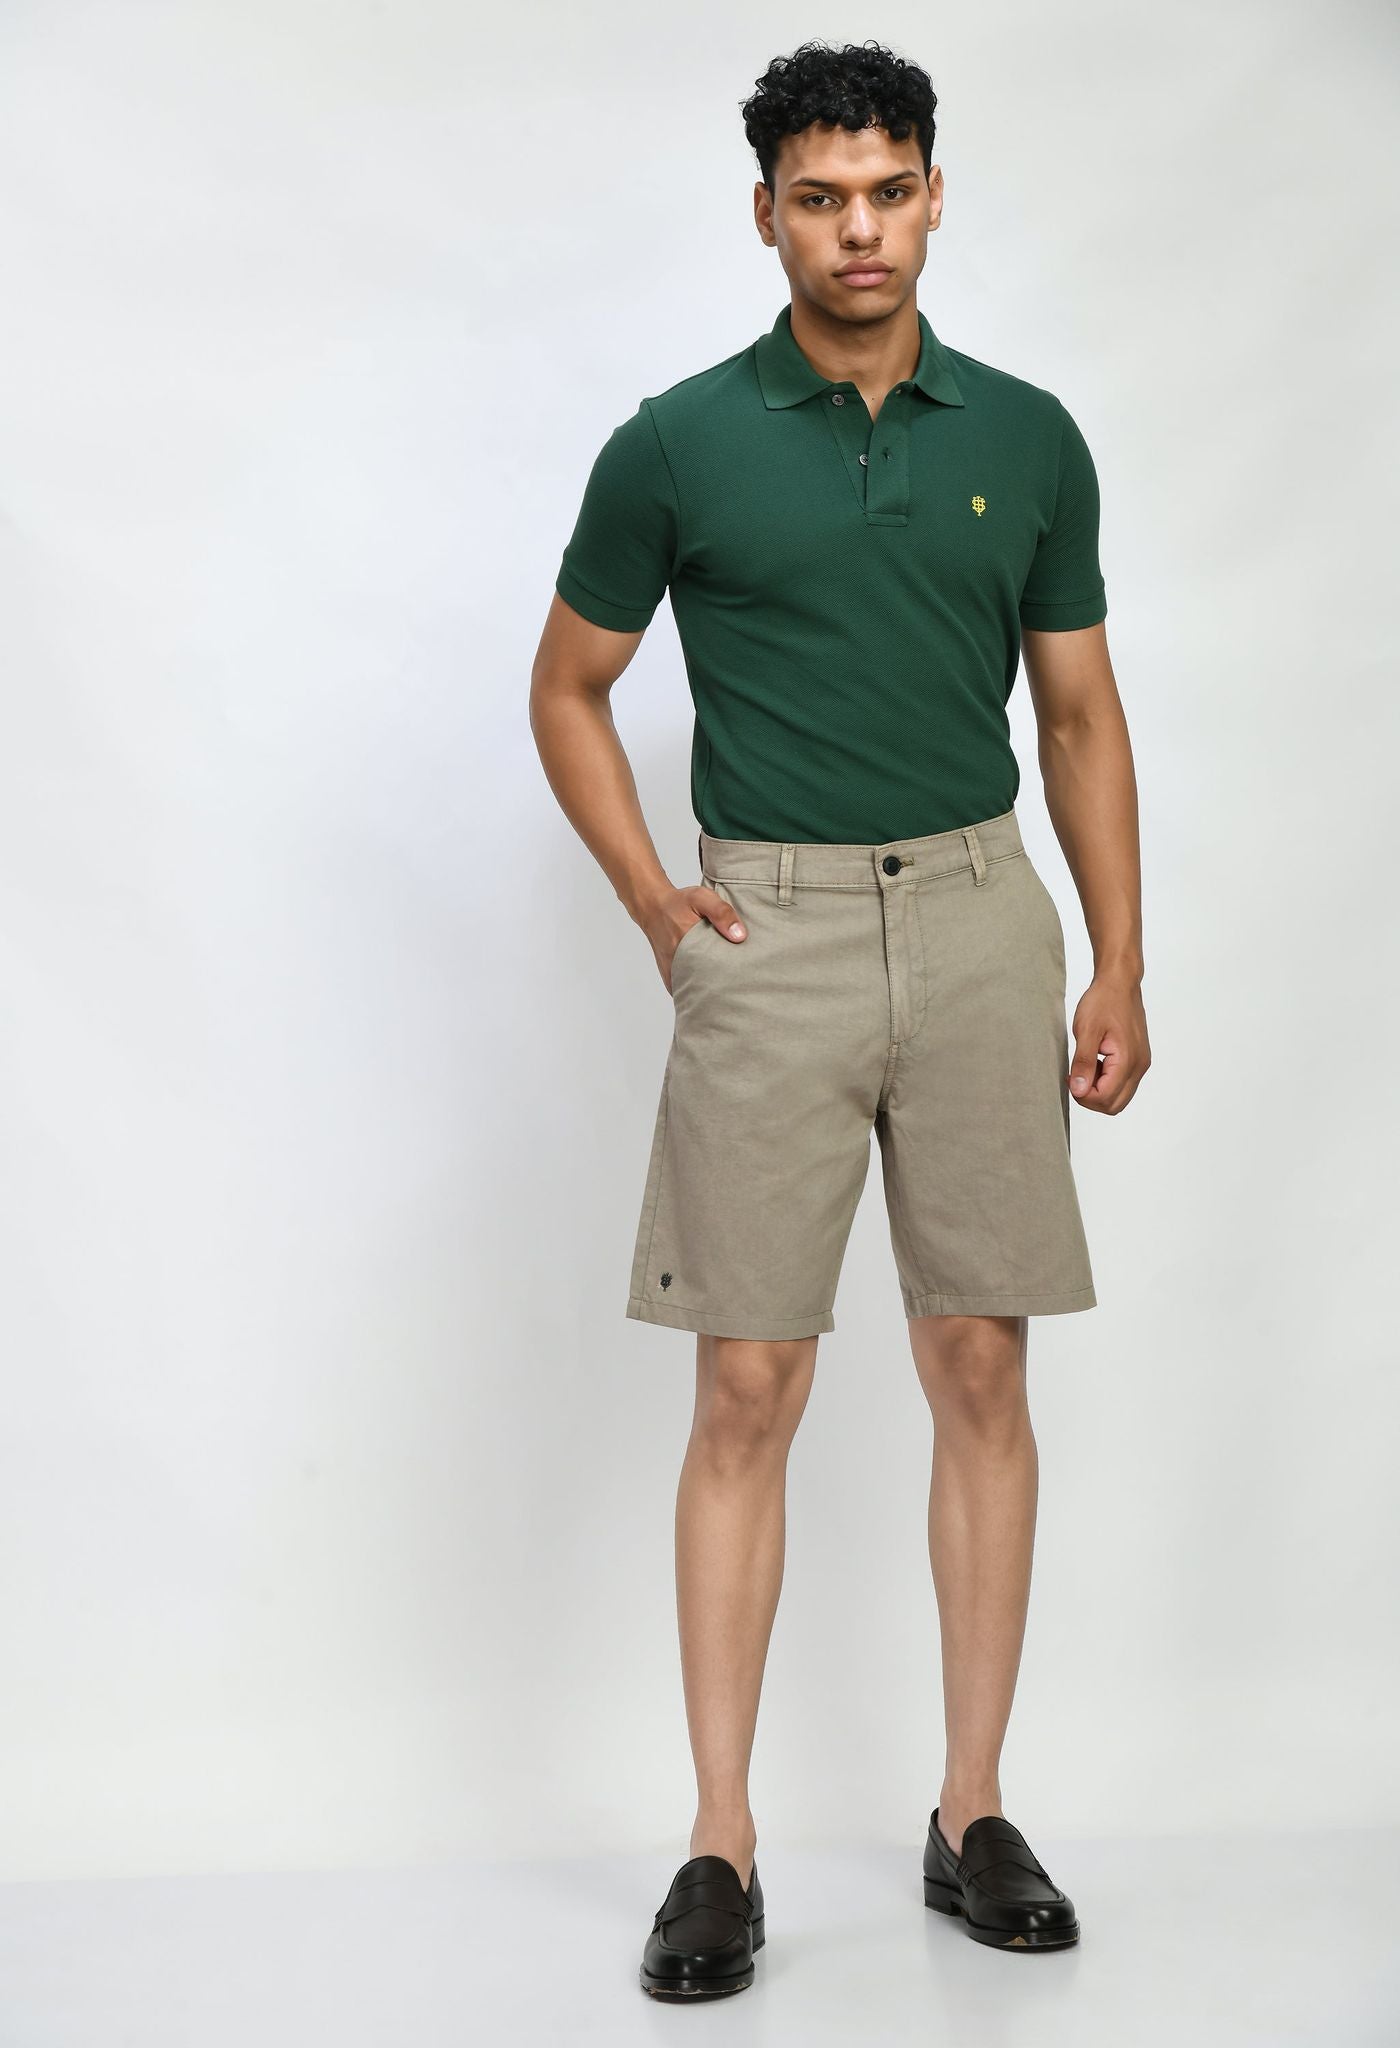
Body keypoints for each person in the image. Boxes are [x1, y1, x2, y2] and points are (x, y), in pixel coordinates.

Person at [529, 37, 1150, 1999]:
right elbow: (566, 684)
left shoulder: (1029, 437)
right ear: (766, 215)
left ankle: (972, 1811)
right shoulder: (676, 444)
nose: (857, 229)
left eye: (887, 191)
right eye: (820, 198)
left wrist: (1118, 961)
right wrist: (656, 900)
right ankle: (719, 1841)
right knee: (748, 1386)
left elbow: (1077, 715)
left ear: (934, 196)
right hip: (771, 931)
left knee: (981, 1365)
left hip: (976, 915)